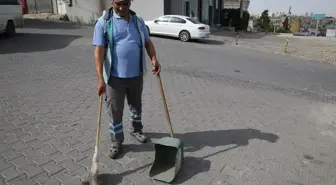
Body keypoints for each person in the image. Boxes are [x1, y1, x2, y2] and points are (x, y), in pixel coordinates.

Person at [92, 0, 161, 159]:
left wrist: (154, 59)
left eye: (125, 4)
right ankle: (116, 141)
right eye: (118, 4)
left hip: (136, 75)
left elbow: (147, 42)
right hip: (114, 78)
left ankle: (136, 129)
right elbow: (99, 52)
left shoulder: (138, 21)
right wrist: (100, 79)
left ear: (131, 2)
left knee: (136, 106)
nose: (122, 8)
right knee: (115, 111)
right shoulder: (104, 23)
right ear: (112, 1)